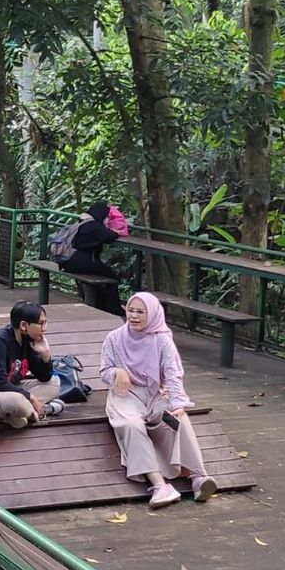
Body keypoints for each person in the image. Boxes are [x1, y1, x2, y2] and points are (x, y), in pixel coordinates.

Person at [100, 292, 217, 509]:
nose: (134, 316)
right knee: (131, 424)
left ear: (152, 314)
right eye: (130, 310)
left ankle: (197, 477)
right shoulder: (114, 338)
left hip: (155, 393)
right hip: (125, 395)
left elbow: (173, 374)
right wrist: (117, 372)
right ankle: (159, 485)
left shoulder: (162, 339)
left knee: (177, 419)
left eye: (140, 312)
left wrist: (177, 403)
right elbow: (104, 370)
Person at [0, 301, 64, 428]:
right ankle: (39, 410)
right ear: (24, 325)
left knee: (54, 383)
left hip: (9, 389)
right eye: (41, 323)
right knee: (16, 402)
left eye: (46, 322)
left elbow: (44, 378)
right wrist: (31, 397)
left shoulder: (28, 342)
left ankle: (18, 415)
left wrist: (46, 355)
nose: (45, 328)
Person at [60, 202, 122, 315]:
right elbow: (112, 236)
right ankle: (113, 308)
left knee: (102, 272)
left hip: (68, 261)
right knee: (112, 277)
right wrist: (115, 231)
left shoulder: (82, 223)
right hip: (80, 262)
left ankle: (101, 304)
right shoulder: (94, 227)